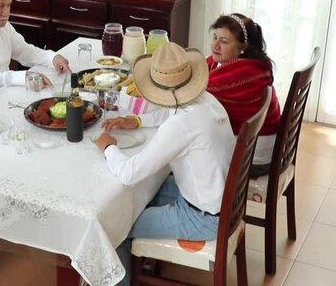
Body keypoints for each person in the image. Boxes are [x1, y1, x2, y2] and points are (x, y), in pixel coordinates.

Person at [94, 43, 235, 286]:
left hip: (202, 217)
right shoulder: (207, 100)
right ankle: (145, 262)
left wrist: (109, 147)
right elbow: (168, 115)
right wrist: (136, 121)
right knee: (138, 197)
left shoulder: (181, 125)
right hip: (220, 200)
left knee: (113, 227)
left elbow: (129, 173)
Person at [207, 13, 281, 177]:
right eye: (215, 37)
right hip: (259, 144)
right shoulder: (252, 65)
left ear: (243, 47)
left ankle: (193, 199)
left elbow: (195, 91)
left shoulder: (240, 76)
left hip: (255, 159)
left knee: (186, 149)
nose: (215, 45)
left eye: (224, 41)